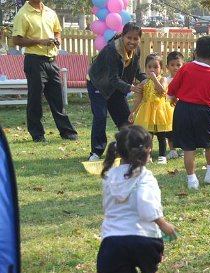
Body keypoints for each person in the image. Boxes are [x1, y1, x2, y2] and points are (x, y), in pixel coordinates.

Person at [97, 125, 177, 273]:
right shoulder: (144, 176)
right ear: (148, 151)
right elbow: (145, 204)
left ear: (119, 151)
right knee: (150, 271)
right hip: (143, 238)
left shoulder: (109, 176)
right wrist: (162, 223)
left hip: (112, 242)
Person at [167, 36, 210, 190]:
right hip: (203, 111)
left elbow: (172, 89)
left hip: (182, 109)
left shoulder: (185, 68)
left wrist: (172, 98)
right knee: (209, 143)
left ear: (195, 53)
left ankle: (191, 180)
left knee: (189, 147)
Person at [12, 0, 78, 142]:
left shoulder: (50, 12)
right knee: (35, 99)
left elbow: (57, 31)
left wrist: (57, 39)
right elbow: (16, 40)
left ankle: (67, 132)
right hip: (34, 61)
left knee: (57, 99)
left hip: (52, 61)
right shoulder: (23, 14)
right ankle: (37, 134)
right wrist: (40, 41)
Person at [87, 22, 146, 161]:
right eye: (129, 38)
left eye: (136, 38)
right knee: (100, 117)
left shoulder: (136, 51)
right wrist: (131, 87)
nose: (132, 41)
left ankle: (129, 149)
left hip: (117, 86)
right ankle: (96, 152)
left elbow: (137, 71)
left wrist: (145, 80)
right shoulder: (111, 50)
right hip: (98, 84)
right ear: (122, 36)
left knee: (126, 120)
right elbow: (112, 78)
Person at [129, 54, 172, 165]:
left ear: (161, 69)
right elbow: (139, 98)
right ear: (145, 68)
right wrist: (132, 111)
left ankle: (162, 155)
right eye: (149, 67)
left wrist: (154, 79)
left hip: (160, 111)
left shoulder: (162, 79)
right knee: (148, 136)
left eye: (155, 67)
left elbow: (161, 91)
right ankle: (148, 156)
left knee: (162, 136)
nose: (152, 69)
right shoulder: (144, 82)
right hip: (147, 112)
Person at [165, 51, 184, 160]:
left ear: (183, 66)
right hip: (168, 109)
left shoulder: (184, 79)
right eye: (172, 65)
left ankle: (184, 148)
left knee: (183, 129)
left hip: (182, 108)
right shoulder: (166, 80)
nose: (175, 68)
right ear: (167, 66)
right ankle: (172, 150)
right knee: (170, 130)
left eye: (178, 65)